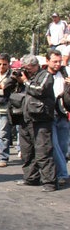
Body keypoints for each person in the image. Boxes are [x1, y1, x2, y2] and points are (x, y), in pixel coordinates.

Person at [12, 55, 57, 192]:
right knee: (27, 151)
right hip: (25, 118)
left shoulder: (45, 76)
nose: (26, 70)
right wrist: (16, 79)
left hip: (41, 119)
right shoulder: (26, 76)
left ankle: (49, 182)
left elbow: (40, 90)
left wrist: (25, 81)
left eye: (27, 68)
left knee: (43, 151)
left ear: (35, 65)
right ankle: (31, 178)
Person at [46, 49, 69, 186]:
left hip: (64, 114)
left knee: (63, 147)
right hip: (50, 114)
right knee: (54, 146)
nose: (57, 64)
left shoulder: (65, 73)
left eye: (59, 61)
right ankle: (62, 174)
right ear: (47, 61)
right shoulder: (43, 75)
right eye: (54, 61)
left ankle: (59, 171)